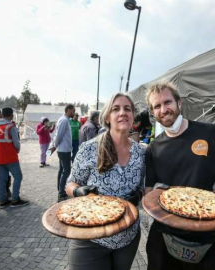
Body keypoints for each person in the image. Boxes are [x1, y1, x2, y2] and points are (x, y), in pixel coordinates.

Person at [144, 82, 215, 270]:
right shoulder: (153, 148)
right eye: (157, 106)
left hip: (207, 231)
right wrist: (158, 192)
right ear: (152, 112)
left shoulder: (210, 132)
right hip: (164, 234)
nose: (164, 110)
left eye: (168, 102)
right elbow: (148, 190)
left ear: (179, 103)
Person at [65, 93, 145, 270]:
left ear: (132, 116)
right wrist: (79, 191)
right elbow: (70, 184)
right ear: (107, 117)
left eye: (127, 109)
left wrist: (139, 195)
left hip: (127, 237)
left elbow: (143, 186)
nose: (122, 112)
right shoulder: (89, 148)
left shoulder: (141, 153)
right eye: (116, 109)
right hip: (90, 238)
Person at [0, 107, 29, 208]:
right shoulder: (10, 127)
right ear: (11, 115)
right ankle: (15, 199)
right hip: (10, 157)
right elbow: (16, 143)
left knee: (2, 179)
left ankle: (3, 200)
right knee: (18, 177)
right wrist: (16, 151)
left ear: (1, 115)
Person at [50, 104, 75, 202]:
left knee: (62, 170)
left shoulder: (64, 120)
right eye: (73, 111)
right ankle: (61, 193)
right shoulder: (64, 120)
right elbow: (58, 135)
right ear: (68, 110)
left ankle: (60, 190)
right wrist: (54, 146)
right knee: (66, 171)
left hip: (64, 149)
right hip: (64, 150)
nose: (74, 113)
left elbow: (58, 135)